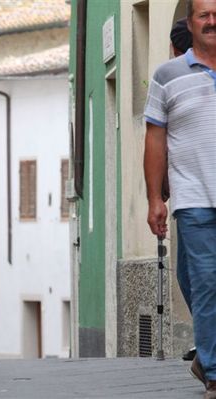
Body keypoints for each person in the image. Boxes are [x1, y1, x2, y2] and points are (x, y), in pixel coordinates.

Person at [144, 1, 216, 397]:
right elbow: (154, 139)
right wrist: (155, 198)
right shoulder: (168, 75)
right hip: (194, 198)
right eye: (204, 15)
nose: (212, 21)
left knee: (195, 280)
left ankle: (206, 357)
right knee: (204, 283)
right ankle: (215, 373)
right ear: (190, 23)